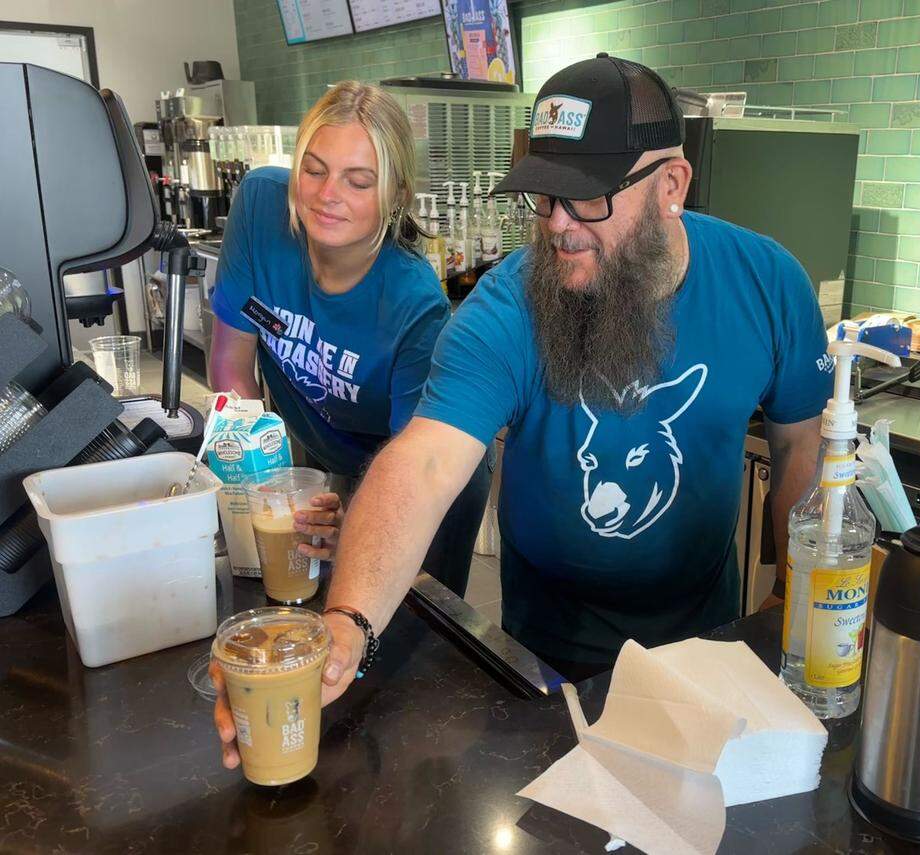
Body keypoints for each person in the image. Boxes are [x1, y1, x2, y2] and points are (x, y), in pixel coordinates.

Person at [215, 54, 833, 770]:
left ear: (671, 185)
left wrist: (796, 607)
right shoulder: (513, 301)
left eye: (588, 198)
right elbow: (422, 463)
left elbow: (798, 452)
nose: (560, 226)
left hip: (703, 649)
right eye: (543, 198)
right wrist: (347, 629)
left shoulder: (768, 285)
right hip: (543, 664)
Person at [208, 81, 490, 595]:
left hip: (423, 478)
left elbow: (414, 474)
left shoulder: (413, 305)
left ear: (396, 195)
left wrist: (362, 527)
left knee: (413, 624)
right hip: (322, 456)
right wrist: (263, 479)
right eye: (313, 170)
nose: (327, 195)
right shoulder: (259, 210)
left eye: (358, 182)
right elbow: (231, 363)